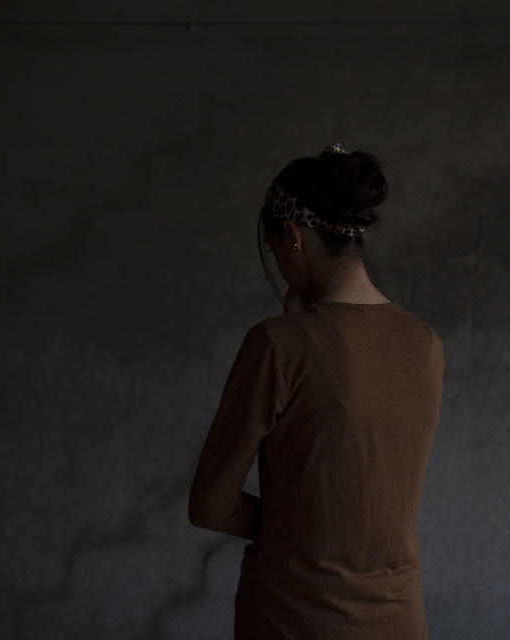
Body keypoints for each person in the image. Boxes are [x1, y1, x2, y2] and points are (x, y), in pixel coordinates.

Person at [188, 142, 445, 639]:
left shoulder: (277, 344)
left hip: (294, 618)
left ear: (293, 236)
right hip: (399, 620)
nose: (279, 263)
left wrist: (295, 525)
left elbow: (210, 504)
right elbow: (373, 494)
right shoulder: (426, 343)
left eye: (274, 248)